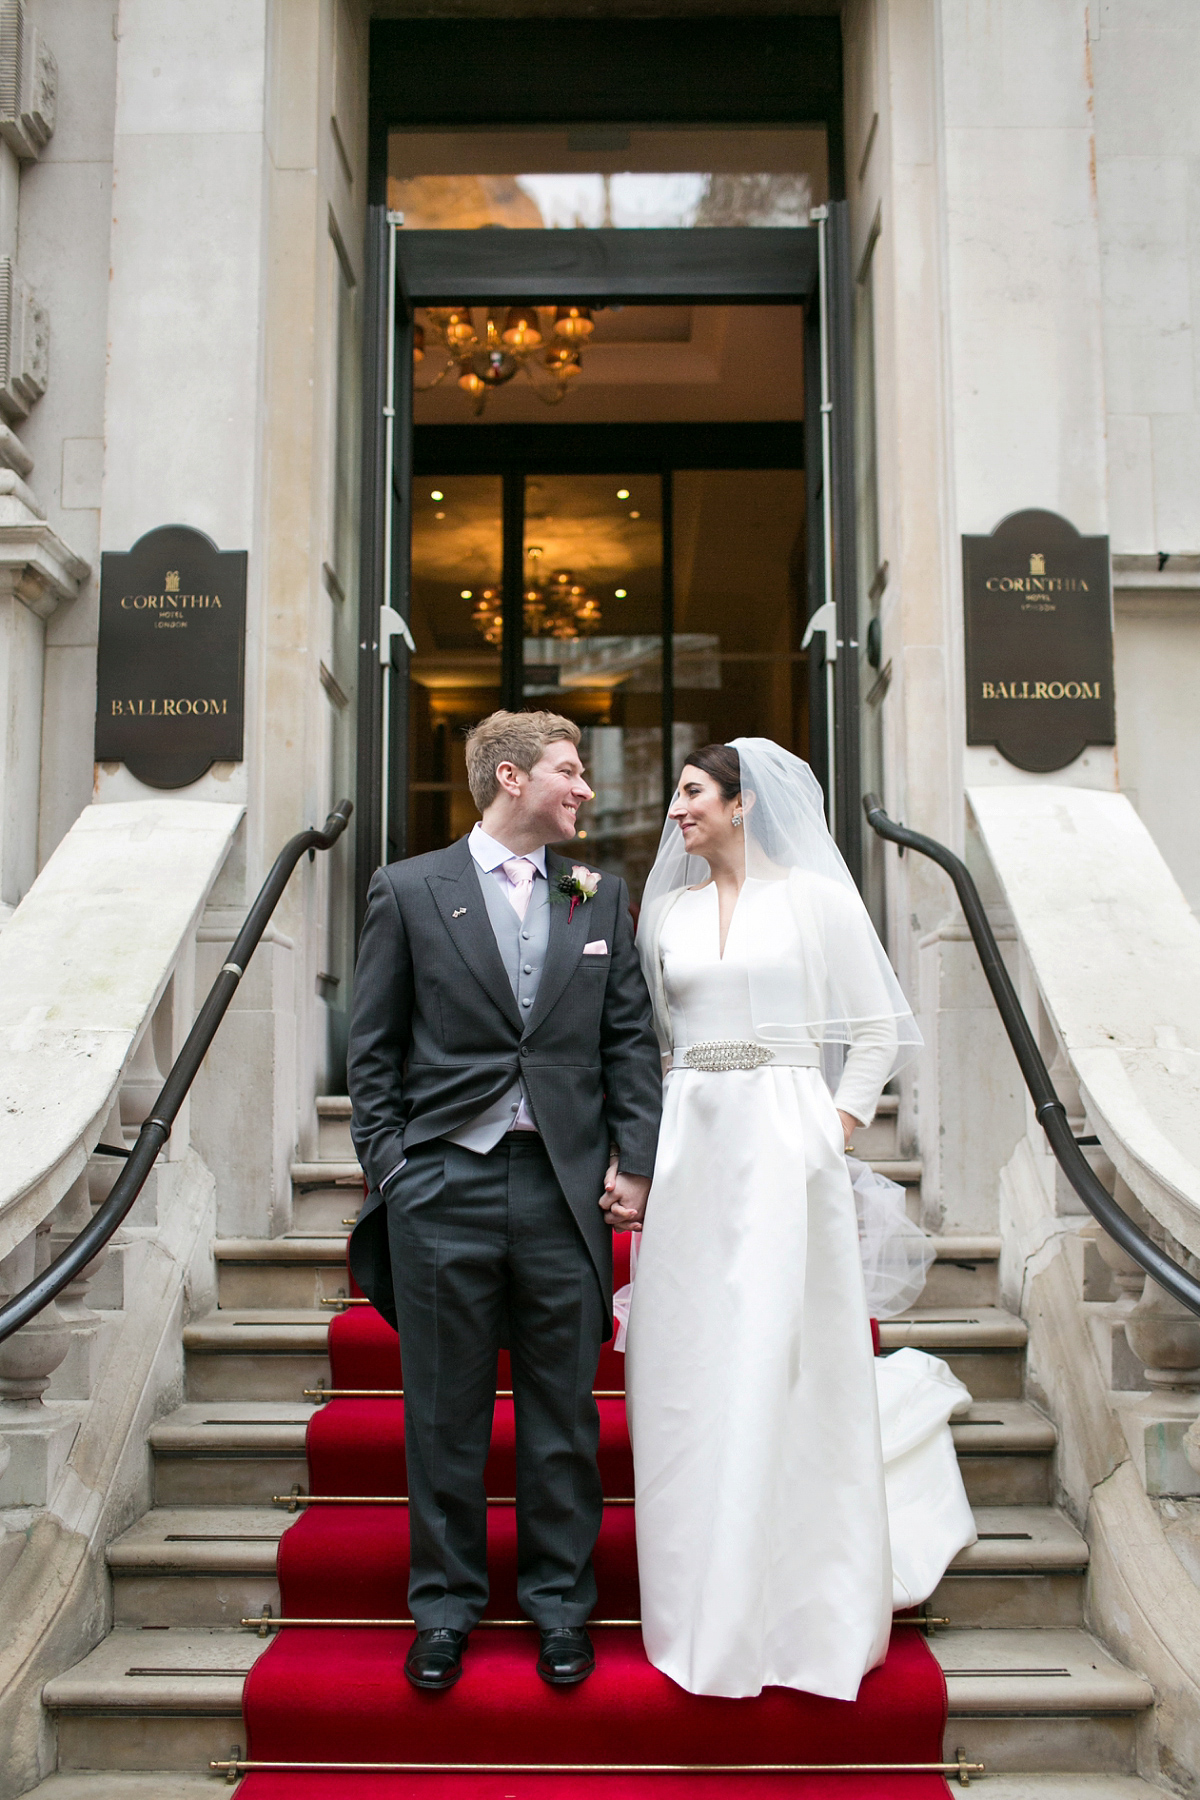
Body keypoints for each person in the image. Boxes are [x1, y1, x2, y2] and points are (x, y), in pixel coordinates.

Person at [614, 738, 976, 1701]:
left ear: (741, 804)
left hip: (789, 1146)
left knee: (786, 1358)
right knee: (690, 1367)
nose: (675, 812)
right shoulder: (667, 913)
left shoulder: (815, 900)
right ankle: (702, 1602)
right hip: (693, 1147)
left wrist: (836, 1125)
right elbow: (651, 1042)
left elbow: (877, 1028)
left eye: (692, 794)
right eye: (677, 796)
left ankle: (801, 1603)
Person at [347, 711, 662, 1693]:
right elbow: (373, 1053)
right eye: (571, 773)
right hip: (444, 1185)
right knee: (443, 1417)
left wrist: (636, 1160)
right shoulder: (407, 890)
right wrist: (396, 1171)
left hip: (565, 1189)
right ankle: (444, 1611)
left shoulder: (598, 898)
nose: (587, 791)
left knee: (564, 1415)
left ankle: (562, 1609)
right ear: (513, 777)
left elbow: (627, 1045)